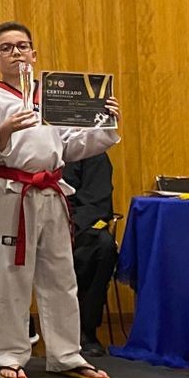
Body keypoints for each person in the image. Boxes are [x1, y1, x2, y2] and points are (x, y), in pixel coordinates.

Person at [0, 22, 118, 378]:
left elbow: (72, 146)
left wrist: (106, 120)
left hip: (52, 189)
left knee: (60, 273)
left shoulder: (52, 94)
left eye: (23, 46)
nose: (16, 53)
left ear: (34, 54)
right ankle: (8, 354)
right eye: (6, 48)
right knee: (10, 274)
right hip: (11, 191)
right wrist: (5, 130)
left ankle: (67, 354)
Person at [65, 152, 118, 357]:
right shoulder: (24, 144)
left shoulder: (91, 150)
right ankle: (19, 328)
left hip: (75, 224)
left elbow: (97, 203)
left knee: (102, 246)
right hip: (31, 220)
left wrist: (68, 226)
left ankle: (85, 330)